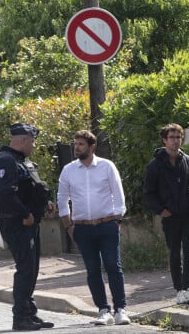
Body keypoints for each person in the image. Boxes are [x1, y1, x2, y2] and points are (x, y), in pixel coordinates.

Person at [57, 130, 130, 326]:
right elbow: (62, 199)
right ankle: (103, 309)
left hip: (107, 224)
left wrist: (117, 219)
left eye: (81, 144)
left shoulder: (107, 166)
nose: (76, 147)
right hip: (82, 227)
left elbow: (118, 194)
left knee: (113, 265)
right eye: (76, 144)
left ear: (92, 147)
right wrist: (68, 225)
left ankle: (121, 309)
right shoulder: (68, 170)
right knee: (92, 269)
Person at [0, 123, 55, 331]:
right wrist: (24, 214)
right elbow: (5, 194)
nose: (34, 146)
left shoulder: (21, 161)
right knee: (25, 269)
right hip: (17, 222)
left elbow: (31, 188)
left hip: (29, 221)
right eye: (32, 141)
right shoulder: (5, 161)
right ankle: (20, 318)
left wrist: (45, 203)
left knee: (32, 269)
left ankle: (30, 313)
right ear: (23, 140)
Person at [143, 123, 189, 305]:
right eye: (172, 137)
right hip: (170, 216)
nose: (175, 141)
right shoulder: (155, 165)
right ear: (164, 140)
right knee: (175, 253)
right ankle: (180, 290)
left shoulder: (188, 160)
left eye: (178, 137)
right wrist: (161, 210)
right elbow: (149, 191)